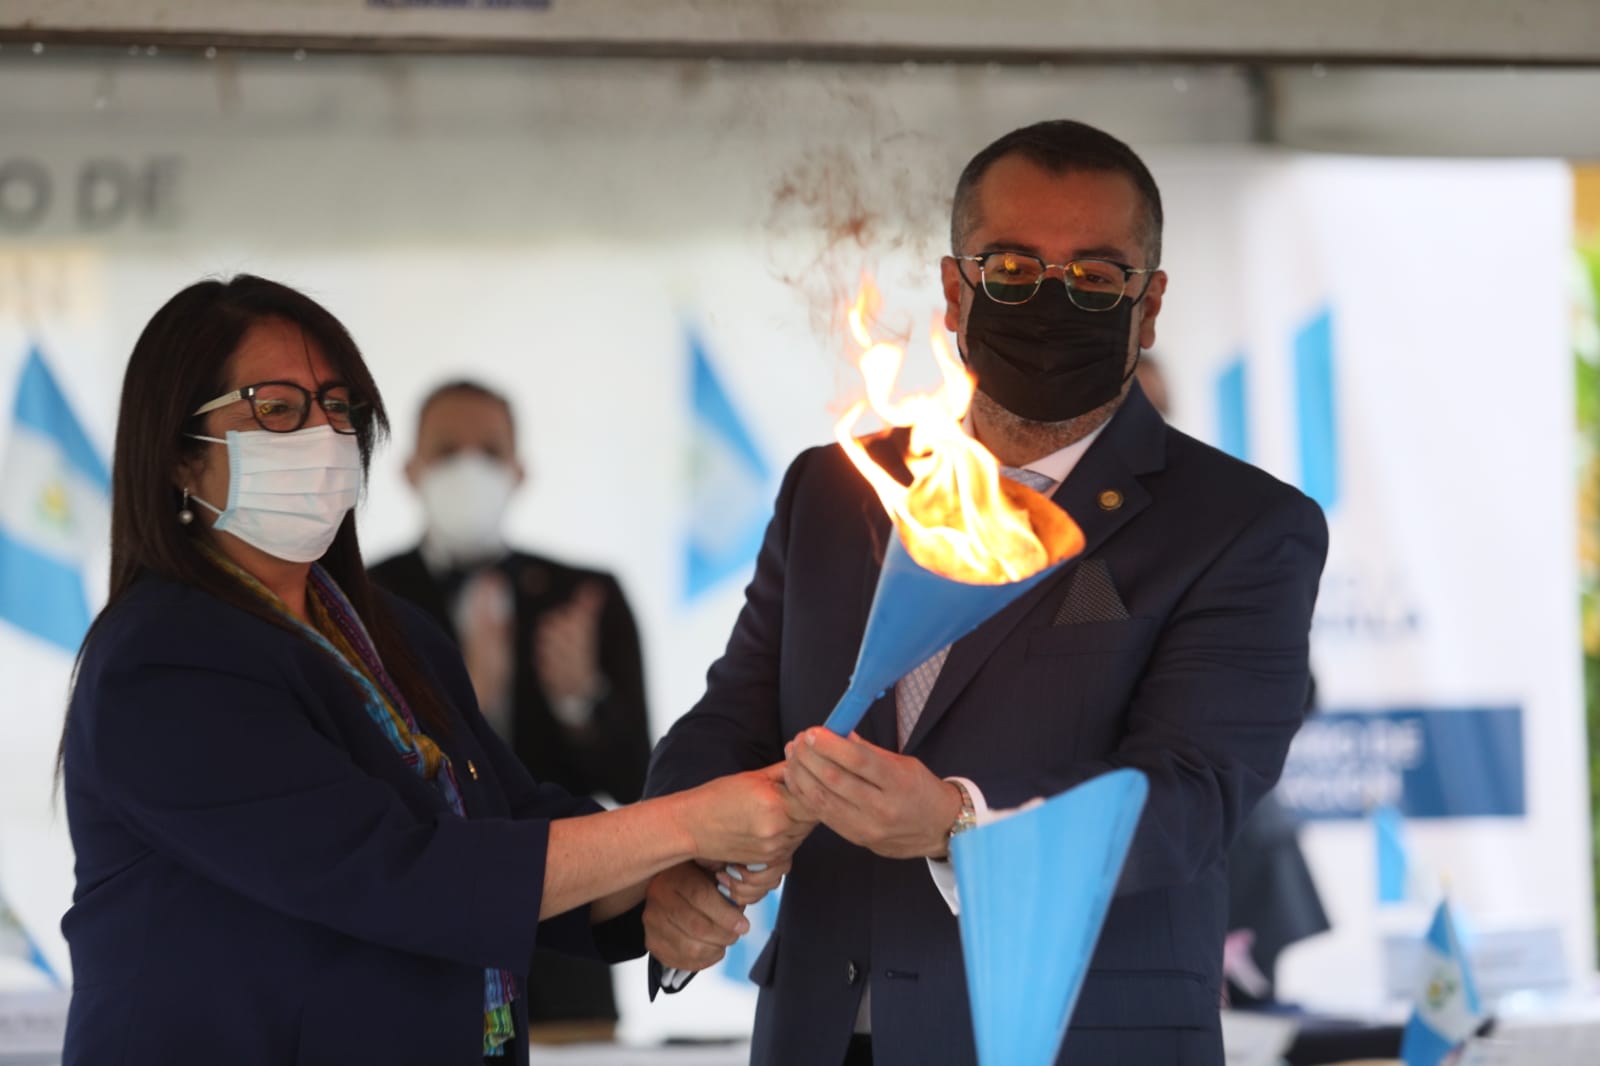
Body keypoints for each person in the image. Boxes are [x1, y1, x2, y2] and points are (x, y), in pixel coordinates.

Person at [640, 120, 1328, 1066]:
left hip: (1070, 1043)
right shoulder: (836, 490)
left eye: (1094, 276)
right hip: (821, 1032)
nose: (1050, 300)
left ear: (1149, 304)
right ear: (957, 290)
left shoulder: (1238, 526)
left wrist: (959, 825)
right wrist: (675, 857)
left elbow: (1189, 797)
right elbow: (733, 718)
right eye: (1012, 268)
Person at [55, 275, 808, 1066]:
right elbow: (392, 871)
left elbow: (514, 817)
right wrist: (684, 826)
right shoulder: (164, 658)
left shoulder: (391, 630)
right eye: (276, 408)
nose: (323, 434)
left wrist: (660, 883)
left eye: (338, 406)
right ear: (181, 455)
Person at [370, 380, 653, 1039]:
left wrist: (579, 697)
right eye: (448, 451)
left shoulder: (584, 595)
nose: (469, 469)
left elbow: (640, 779)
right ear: (410, 469)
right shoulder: (365, 599)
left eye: (489, 452)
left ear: (519, 470)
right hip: (413, 947)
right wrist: (456, 699)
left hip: (565, 960)